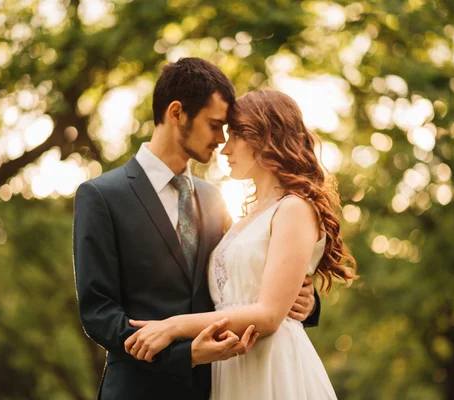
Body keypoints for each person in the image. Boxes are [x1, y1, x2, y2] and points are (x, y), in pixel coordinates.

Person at [73, 59, 321, 400]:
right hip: (139, 390)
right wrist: (183, 354)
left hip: (219, 386)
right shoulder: (102, 196)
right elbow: (98, 313)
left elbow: (249, 274)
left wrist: (306, 299)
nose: (221, 140)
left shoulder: (213, 199)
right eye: (215, 125)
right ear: (177, 113)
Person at [125, 89, 358, 399]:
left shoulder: (294, 208)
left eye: (235, 136)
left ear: (264, 137)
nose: (225, 149)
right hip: (231, 367)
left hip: (273, 366)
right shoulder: (243, 218)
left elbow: (269, 316)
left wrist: (172, 327)